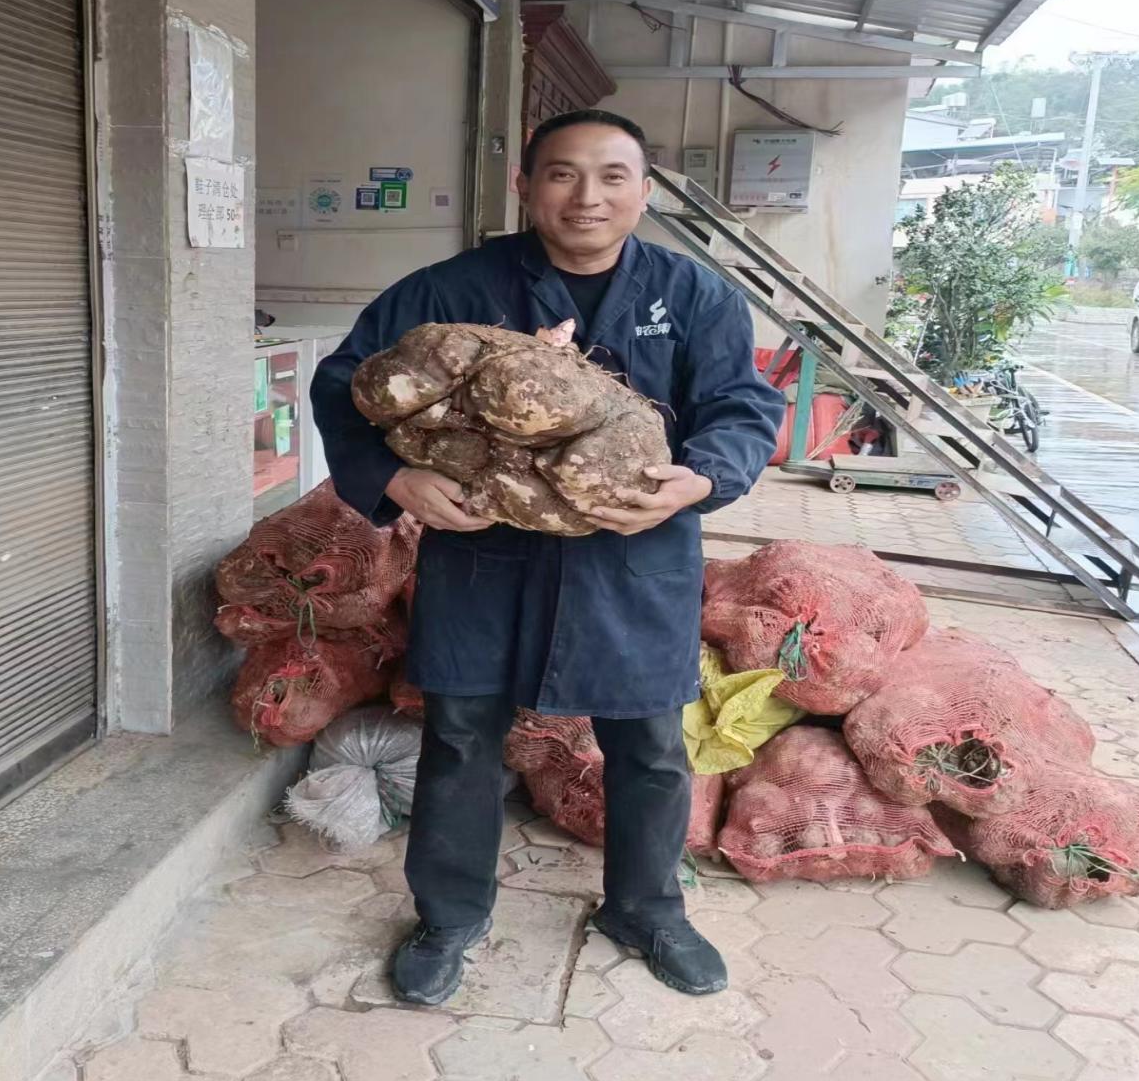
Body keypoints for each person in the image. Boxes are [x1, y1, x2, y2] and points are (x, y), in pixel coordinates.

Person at [311, 108, 785, 1005]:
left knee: (649, 744)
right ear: (525, 186)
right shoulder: (450, 290)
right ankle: (449, 915)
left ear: (643, 191)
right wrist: (394, 478)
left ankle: (646, 909)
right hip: (484, 555)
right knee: (460, 736)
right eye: (562, 174)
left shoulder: (696, 296)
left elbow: (742, 405)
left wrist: (701, 477)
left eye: (612, 175)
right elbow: (344, 383)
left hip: (633, 556)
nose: (586, 196)